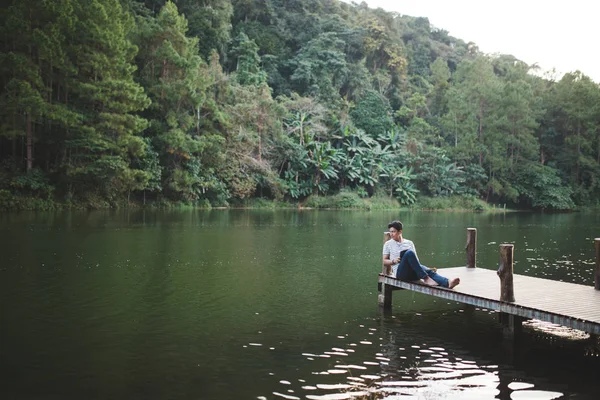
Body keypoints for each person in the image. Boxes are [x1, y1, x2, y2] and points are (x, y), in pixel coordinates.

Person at [382, 220, 460, 289]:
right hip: (401, 274)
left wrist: (424, 269)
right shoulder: (388, 244)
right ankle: (426, 278)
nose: (391, 234)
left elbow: (416, 261)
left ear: (400, 231)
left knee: (428, 271)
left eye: (393, 231)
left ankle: (448, 283)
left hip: (412, 273)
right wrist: (393, 261)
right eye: (390, 232)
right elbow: (384, 261)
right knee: (409, 253)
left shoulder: (409, 243)